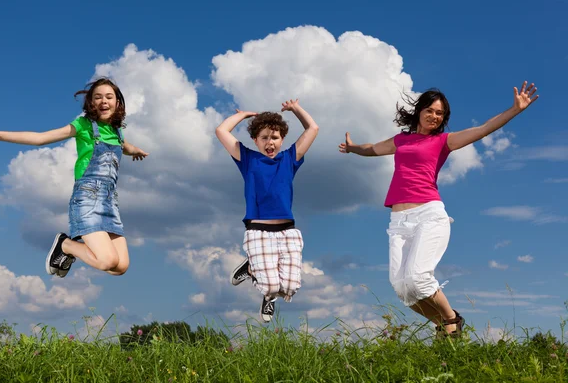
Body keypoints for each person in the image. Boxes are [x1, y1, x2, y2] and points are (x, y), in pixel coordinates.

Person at [339, 81, 539, 337]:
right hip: (399, 220)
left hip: (428, 214)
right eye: (431, 110)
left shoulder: (444, 141)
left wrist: (514, 110)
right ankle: (446, 325)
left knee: (418, 279)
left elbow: (483, 129)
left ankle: (451, 319)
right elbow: (373, 149)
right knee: (403, 289)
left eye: (440, 113)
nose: (434, 116)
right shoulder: (401, 140)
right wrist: (352, 148)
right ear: (420, 110)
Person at [0, 77, 149, 278]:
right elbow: (41, 138)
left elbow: (124, 146)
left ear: (117, 102)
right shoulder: (83, 125)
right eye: (98, 97)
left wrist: (135, 151)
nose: (103, 101)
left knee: (120, 266)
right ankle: (66, 245)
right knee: (107, 260)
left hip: (110, 204)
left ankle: (69, 248)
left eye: (109, 97)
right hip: (87, 200)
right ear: (91, 103)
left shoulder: (117, 132)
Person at [216, 99, 319, 322]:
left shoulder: (290, 158)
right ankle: (253, 270)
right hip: (258, 230)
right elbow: (221, 130)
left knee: (290, 286)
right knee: (271, 286)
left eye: (274, 137)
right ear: (255, 140)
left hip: (286, 230)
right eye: (264, 138)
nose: (269, 142)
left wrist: (295, 109)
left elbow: (313, 129)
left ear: (282, 139)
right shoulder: (248, 159)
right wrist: (242, 115)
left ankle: (256, 273)